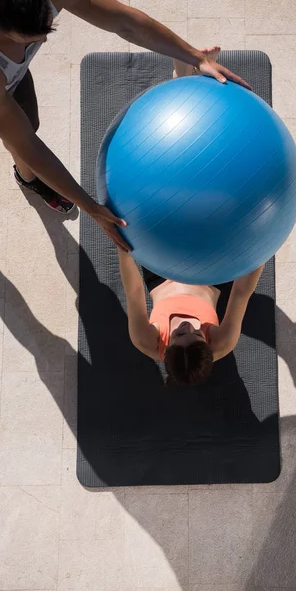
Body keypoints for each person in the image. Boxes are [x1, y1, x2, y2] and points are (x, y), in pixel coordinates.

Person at [0, 0, 250, 250]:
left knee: (28, 124)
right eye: (31, 35)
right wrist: (91, 207)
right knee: (17, 136)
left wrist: (197, 57)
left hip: (9, 78)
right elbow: (28, 144)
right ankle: (29, 179)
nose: (43, 39)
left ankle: (25, 175)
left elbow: (125, 22)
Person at [115, 50, 265, 387]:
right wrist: (261, 244)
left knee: (175, 179)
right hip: (213, 271)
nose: (185, 330)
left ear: (165, 349)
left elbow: (134, 290)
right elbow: (241, 293)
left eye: (177, 338)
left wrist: (122, 245)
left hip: (161, 267)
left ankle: (181, 78)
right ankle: (187, 82)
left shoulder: (145, 340)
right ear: (206, 347)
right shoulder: (222, 343)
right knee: (207, 184)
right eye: (193, 337)